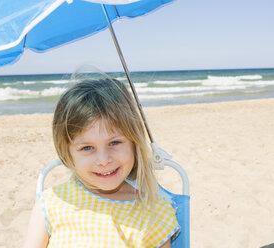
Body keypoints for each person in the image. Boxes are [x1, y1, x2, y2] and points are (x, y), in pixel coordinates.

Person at [23, 78, 180, 248]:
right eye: (87, 147)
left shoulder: (154, 212)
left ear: (134, 142)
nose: (104, 160)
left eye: (114, 143)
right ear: (67, 152)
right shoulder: (51, 204)